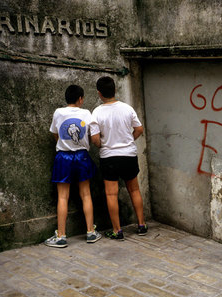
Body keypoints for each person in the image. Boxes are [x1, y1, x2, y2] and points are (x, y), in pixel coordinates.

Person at [90, 76, 147, 240]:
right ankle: (142, 225)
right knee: (134, 190)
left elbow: (94, 139)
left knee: (111, 194)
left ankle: (117, 230)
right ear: (115, 90)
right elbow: (139, 129)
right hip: (128, 155)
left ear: (99, 93)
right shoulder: (127, 108)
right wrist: (128, 140)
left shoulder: (97, 112)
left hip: (109, 157)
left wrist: (105, 144)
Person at [45, 84, 102, 248]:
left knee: (62, 197)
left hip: (63, 157)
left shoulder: (58, 112)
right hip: (82, 156)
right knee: (86, 194)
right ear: (80, 99)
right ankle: (91, 232)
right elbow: (92, 135)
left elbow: (55, 133)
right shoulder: (86, 113)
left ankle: (61, 236)